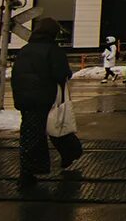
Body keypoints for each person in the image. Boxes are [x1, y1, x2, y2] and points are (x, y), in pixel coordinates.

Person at [10, 17, 81, 186]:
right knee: (56, 126)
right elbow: (61, 74)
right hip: (46, 97)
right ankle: (70, 153)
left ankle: (27, 173)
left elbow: (16, 74)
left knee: (30, 134)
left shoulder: (25, 49)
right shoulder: (52, 50)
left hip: (24, 98)